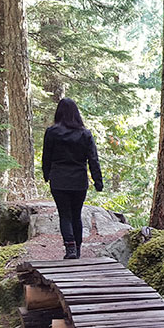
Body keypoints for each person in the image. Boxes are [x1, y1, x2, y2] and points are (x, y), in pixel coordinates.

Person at [42, 98, 103, 259]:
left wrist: (46, 174)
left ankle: (70, 248)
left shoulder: (52, 132)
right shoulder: (85, 134)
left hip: (59, 180)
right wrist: (98, 181)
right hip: (79, 181)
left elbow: (46, 156)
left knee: (65, 215)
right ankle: (77, 249)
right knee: (76, 214)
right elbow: (93, 159)